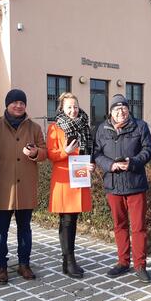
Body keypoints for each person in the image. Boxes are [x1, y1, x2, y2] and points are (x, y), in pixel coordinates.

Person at [0, 89, 47, 285]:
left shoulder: (34, 128)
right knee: (0, 230)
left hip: (26, 187)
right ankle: (1, 266)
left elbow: (44, 152)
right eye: (14, 102)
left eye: (22, 103)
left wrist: (36, 152)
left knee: (25, 228)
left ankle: (24, 264)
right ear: (7, 104)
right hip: (3, 188)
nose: (18, 106)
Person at [93, 94, 151, 283]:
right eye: (116, 109)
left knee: (138, 227)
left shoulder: (140, 126)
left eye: (124, 108)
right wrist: (110, 165)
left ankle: (140, 265)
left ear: (129, 109)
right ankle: (122, 262)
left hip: (135, 183)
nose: (121, 112)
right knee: (119, 225)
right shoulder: (102, 129)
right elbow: (96, 152)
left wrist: (133, 162)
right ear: (110, 112)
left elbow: (149, 149)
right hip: (113, 184)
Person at [47, 92, 95, 278]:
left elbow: (88, 152)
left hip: (80, 176)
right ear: (62, 109)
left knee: (73, 220)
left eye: (75, 106)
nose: (73, 110)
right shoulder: (55, 127)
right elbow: (51, 155)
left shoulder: (84, 125)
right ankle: (68, 260)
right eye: (69, 107)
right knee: (66, 220)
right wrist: (65, 151)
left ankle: (69, 260)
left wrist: (90, 165)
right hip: (64, 179)